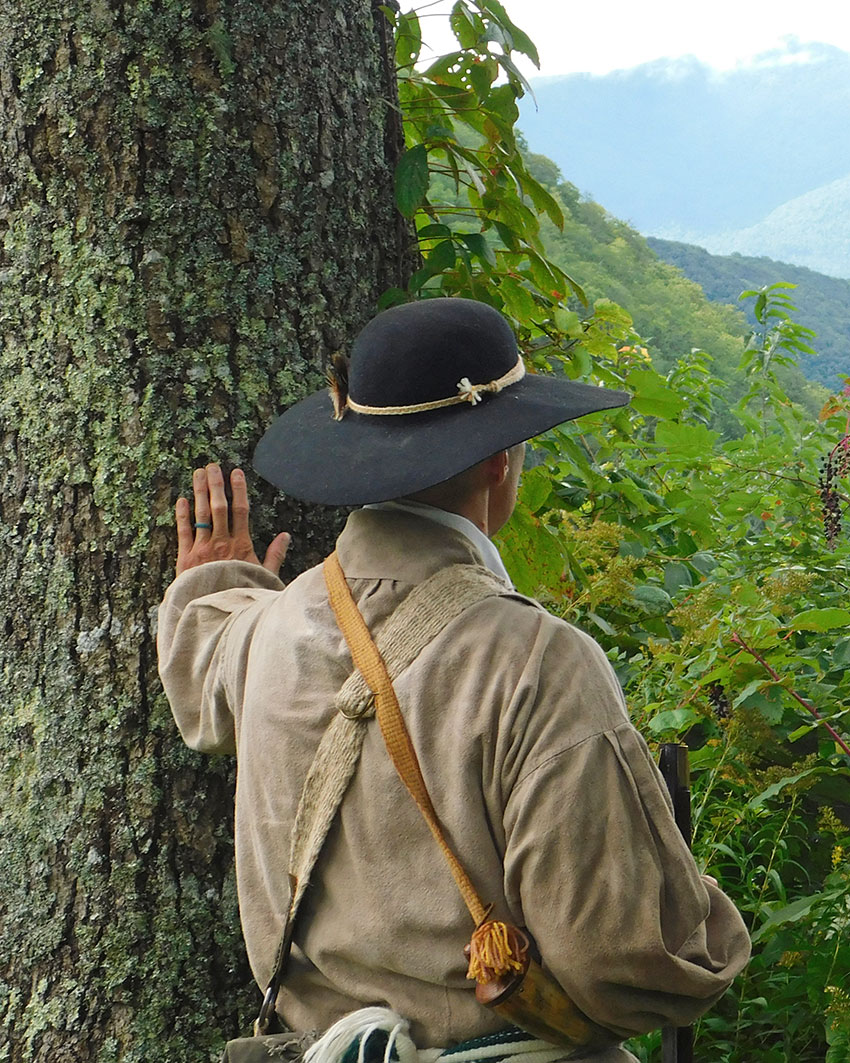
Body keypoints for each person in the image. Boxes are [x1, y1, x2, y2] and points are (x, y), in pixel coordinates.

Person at [158, 298, 750, 1062]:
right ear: (500, 460)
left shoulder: (263, 637)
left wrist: (216, 583)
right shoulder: (538, 663)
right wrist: (701, 922)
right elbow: (624, 964)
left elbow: (200, 673)